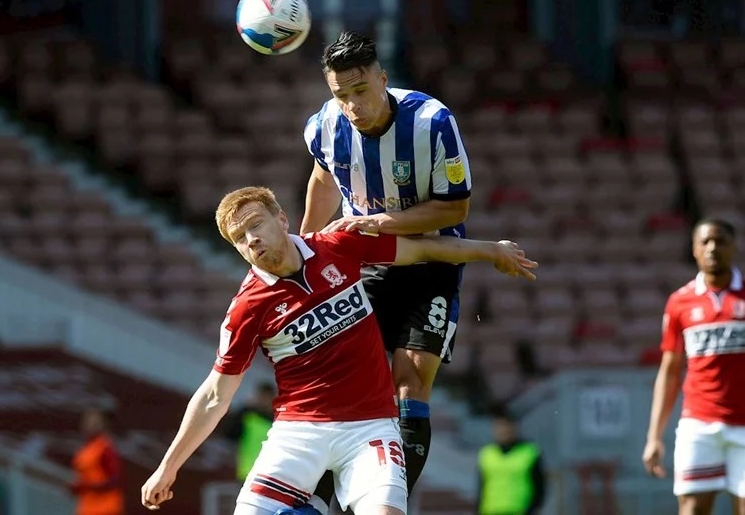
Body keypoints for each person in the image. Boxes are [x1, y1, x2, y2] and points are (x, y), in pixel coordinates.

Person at [140, 186, 536, 515]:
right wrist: (167, 468)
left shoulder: (338, 245)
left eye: (255, 224)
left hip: (370, 430)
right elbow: (214, 396)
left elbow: (421, 251)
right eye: (240, 239)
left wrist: (491, 250)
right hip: (298, 434)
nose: (252, 239)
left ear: (282, 218)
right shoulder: (247, 308)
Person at [300, 30, 472, 503]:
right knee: (351, 379)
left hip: (433, 259)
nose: (352, 105)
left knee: (408, 383)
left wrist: (385, 222)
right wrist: (307, 247)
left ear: (382, 78)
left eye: (361, 91)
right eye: (341, 95)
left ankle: (388, 500)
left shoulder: (433, 122)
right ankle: (327, 496)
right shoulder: (324, 126)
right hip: (369, 262)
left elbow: (455, 209)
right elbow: (323, 176)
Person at [642, 218, 745, 515]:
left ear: (733, 247)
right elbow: (669, 370)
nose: (713, 248)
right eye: (705, 242)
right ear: (694, 249)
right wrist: (654, 436)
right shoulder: (680, 302)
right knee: (691, 509)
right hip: (698, 425)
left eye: (721, 241)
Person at [476, 411, 546, 515]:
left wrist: (532, 509)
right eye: (499, 426)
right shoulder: (487, 453)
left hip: (519, 510)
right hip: (491, 510)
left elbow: (540, 486)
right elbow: (481, 487)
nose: (503, 431)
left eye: (507, 426)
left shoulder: (529, 452)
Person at [71, 408, 124, 515]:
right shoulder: (85, 449)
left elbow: (115, 479)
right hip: (87, 508)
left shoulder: (105, 448)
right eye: (89, 422)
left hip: (106, 508)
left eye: (95, 423)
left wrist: (90, 486)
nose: (91, 426)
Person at [224, 382, 278, 482]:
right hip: (244, 471)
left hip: (267, 474)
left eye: (267, 397)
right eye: (262, 396)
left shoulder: (277, 421)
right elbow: (229, 434)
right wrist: (243, 409)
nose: (264, 400)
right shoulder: (248, 414)